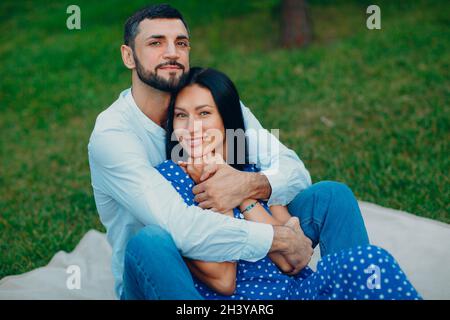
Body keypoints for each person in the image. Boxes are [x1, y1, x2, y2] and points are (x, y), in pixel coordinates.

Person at [88, 4, 369, 300]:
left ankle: (355, 293)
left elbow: (293, 171)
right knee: (151, 240)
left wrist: (247, 186)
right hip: (162, 273)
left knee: (331, 197)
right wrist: (280, 238)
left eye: (181, 43)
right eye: (156, 42)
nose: (172, 52)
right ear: (128, 55)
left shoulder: (209, 104)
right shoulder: (113, 136)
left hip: (245, 258)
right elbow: (181, 227)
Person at [153, 67, 421, 300]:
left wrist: (241, 195)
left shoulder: (248, 172)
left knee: (371, 263)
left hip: (299, 290)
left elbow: (293, 259)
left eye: (203, 114)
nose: (191, 128)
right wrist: (221, 198)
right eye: (181, 115)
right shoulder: (167, 180)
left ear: (226, 119)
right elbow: (225, 279)